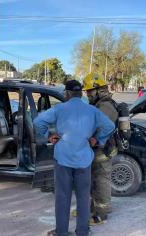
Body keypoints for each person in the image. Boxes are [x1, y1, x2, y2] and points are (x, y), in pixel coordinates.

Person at [33, 80, 115, 236]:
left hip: (63, 158)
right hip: (84, 160)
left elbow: (38, 122)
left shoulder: (59, 109)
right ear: (81, 93)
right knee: (84, 197)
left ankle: (61, 232)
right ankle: (83, 231)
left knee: (62, 196)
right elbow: (109, 126)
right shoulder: (92, 110)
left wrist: (49, 136)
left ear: (67, 93)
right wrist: (97, 140)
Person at [82, 73, 118, 225]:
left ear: (97, 89)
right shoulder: (98, 104)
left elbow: (101, 127)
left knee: (101, 182)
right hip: (96, 151)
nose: (88, 95)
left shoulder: (105, 106)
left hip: (103, 152)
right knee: (94, 182)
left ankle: (101, 215)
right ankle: (91, 209)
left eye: (89, 92)